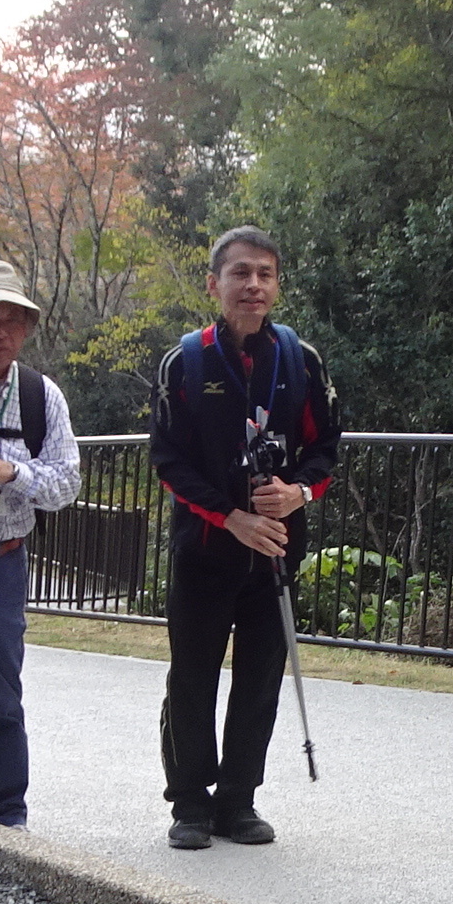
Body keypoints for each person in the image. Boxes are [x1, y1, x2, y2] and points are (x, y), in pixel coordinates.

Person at [148, 226, 341, 852]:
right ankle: (189, 802)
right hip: (206, 548)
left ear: (276, 285)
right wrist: (230, 518)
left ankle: (239, 798)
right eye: (239, 273)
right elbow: (168, 459)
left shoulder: (301, 360)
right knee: (193, 673)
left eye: (264, 273)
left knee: (261, 674)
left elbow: (327, 448)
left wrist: (297, 494)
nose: (252, 285)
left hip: (276, 552)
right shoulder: (185, 362)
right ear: (214, 284)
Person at [0, 259, 80, 830]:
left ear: (26, 328)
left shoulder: (39, 396)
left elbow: (67, 484)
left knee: (1, 699)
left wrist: (8, 473)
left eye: (13, 320)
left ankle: (6, 818)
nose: (0, 333)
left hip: (0, 564)